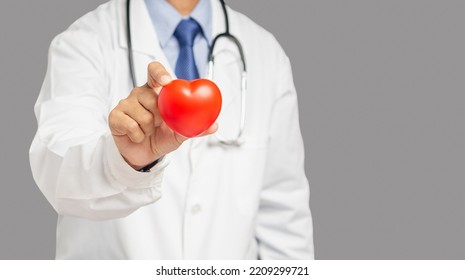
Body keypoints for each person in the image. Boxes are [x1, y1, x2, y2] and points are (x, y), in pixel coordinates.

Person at [29, 0, 314, 259]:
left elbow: (285, 220)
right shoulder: (82, 43)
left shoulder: (265, 52)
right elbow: (58, 176)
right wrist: (126, 161)